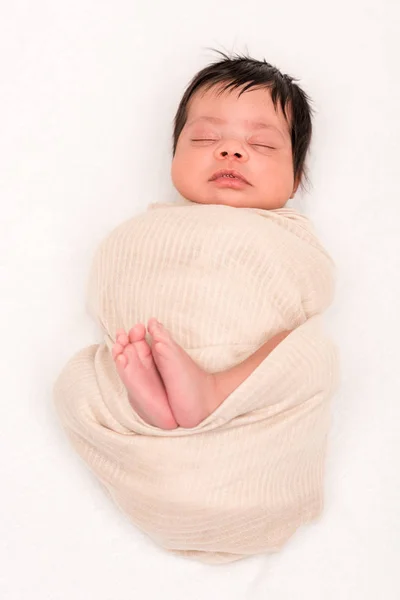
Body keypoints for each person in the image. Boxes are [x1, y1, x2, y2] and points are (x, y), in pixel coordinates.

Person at [110, 51, 315, 430]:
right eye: (205, 138)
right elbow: (111, 281)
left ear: (295, 179)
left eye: (263, 145)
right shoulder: (148, 228)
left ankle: (213, 389)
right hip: (156, 346)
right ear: (174, 157)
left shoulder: (291, 236)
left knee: (316, 351)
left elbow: (315, 290)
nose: (231, 151)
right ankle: (153, 398)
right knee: (81, 375)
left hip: (247, 367)